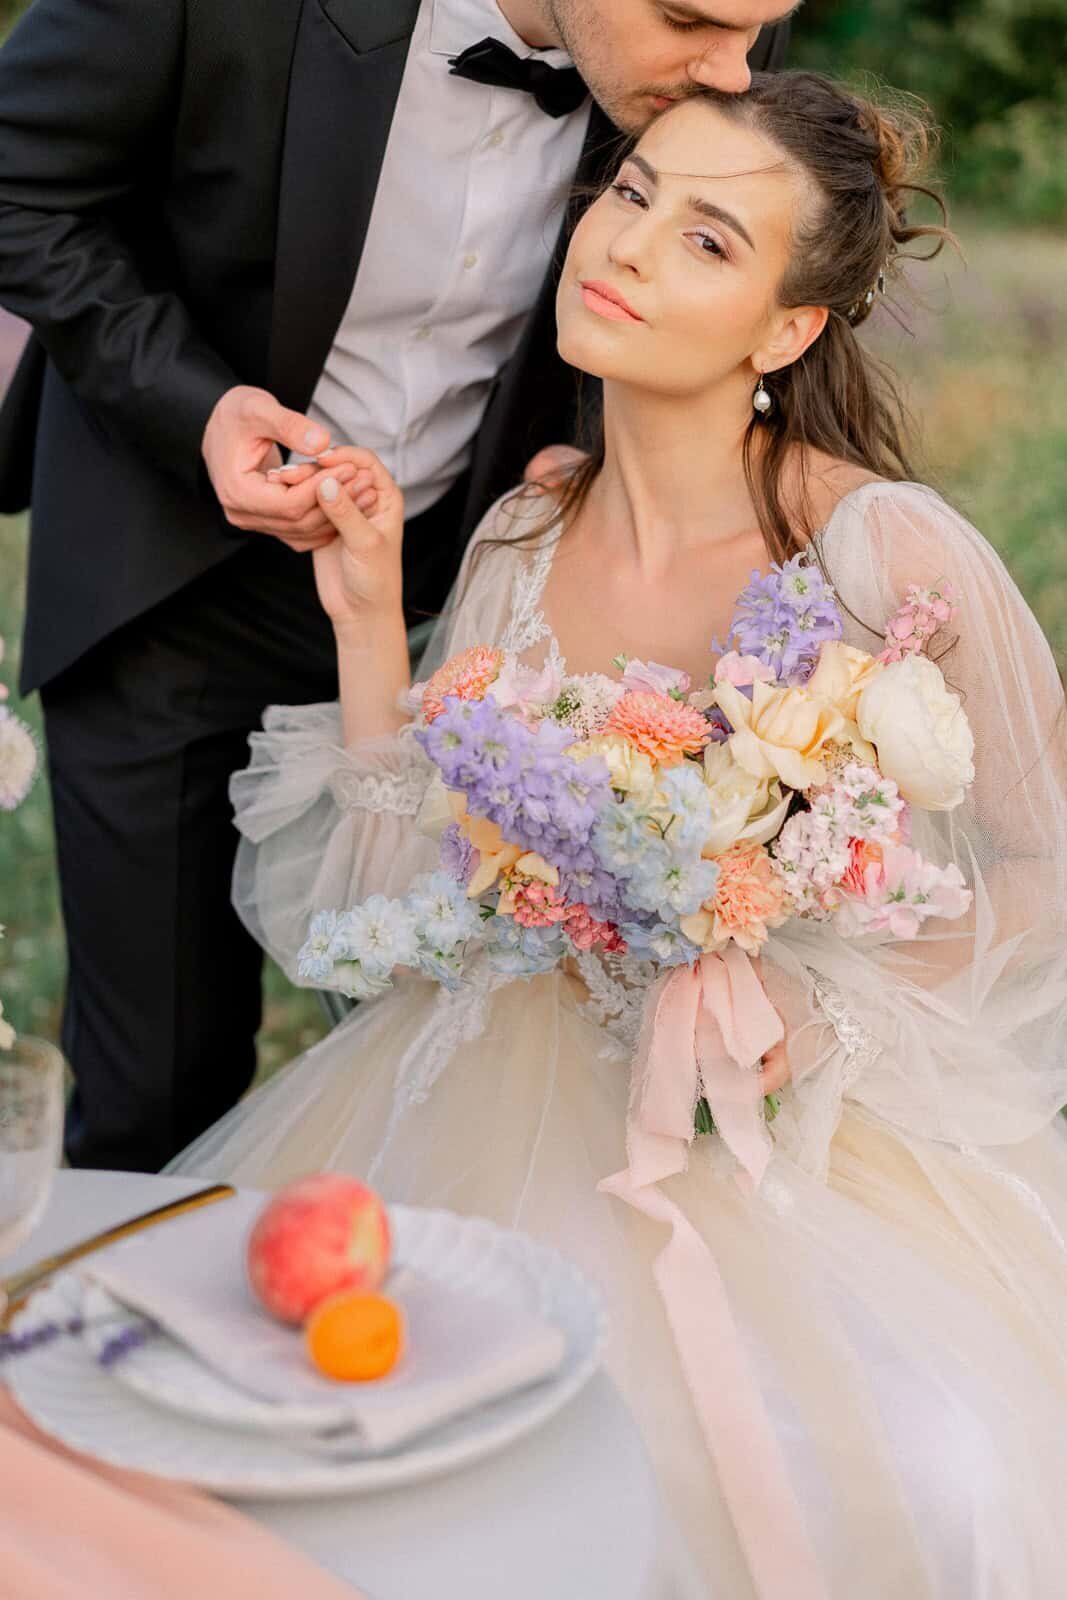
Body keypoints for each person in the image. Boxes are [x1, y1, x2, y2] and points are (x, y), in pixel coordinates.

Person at [169, 71, 1067, 1596]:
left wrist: (808, 999)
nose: (630, 246)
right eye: (635, 191)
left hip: (781, 1128)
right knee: (359, 1454)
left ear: (785, 329)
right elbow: (404, 907)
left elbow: (1043, 865)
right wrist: (373, 617)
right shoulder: (524, 531)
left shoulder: (875, 550)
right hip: (492, 1085)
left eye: (709, 242)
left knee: (895, 1460)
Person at [0, 0, 792, 1172]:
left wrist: (592, 449)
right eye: (690, 21)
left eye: (756, 28)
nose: (733, 71)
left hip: (470, 628)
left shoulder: (706, 35)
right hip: (168, 572)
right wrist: (195, 406)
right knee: (159, 1097)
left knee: (450, 1084)